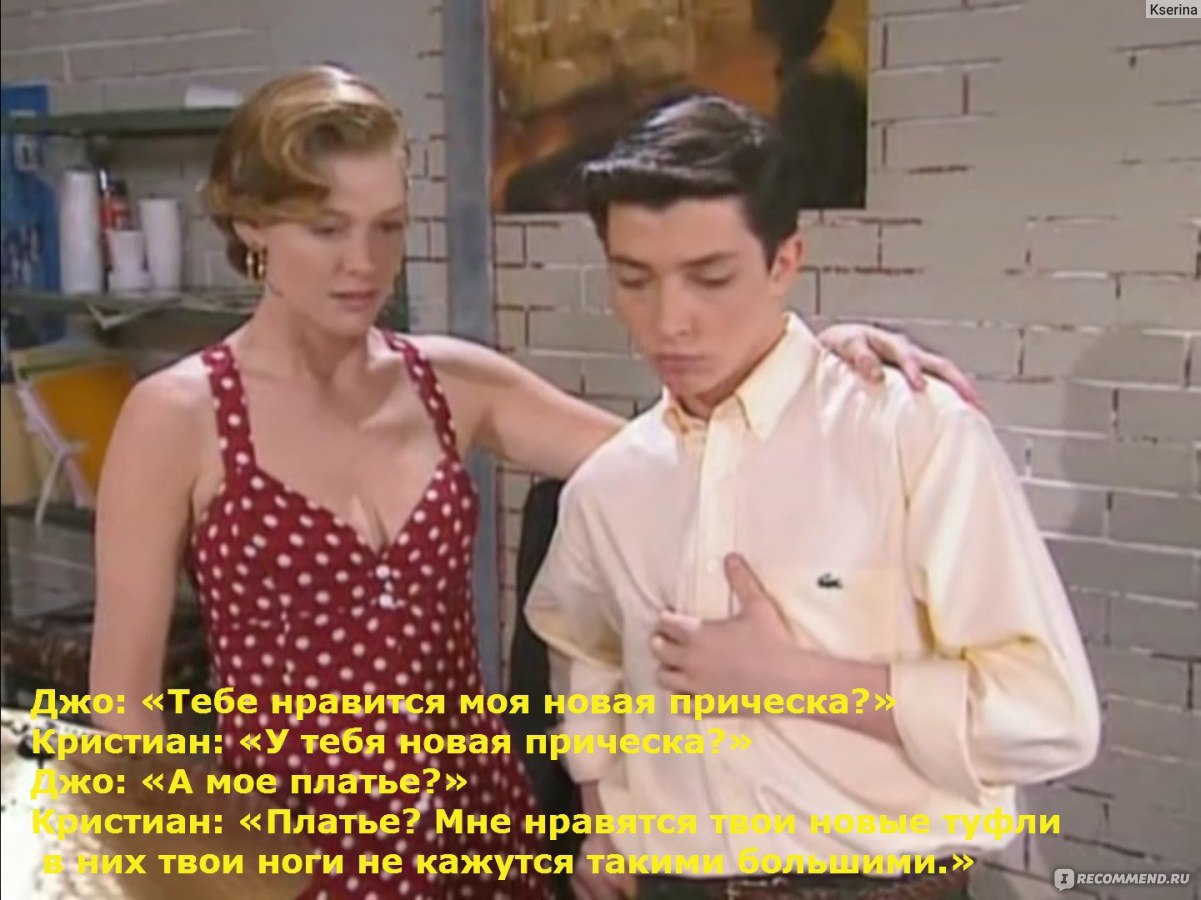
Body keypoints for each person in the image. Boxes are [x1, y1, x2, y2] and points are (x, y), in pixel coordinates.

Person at [88, 66, 979, 899]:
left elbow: (687, 464)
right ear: (252, 224)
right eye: (327, 229)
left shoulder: (451, 383)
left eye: (387, 227)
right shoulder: (178, 417)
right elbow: (124, 714)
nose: (362, 261)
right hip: (288, 852)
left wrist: (814, 365)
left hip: (478, 832)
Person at [524, 94, 1101, 900]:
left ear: (783, 261)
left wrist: (793, 677)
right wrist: (600, 814)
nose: (669, 321)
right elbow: (584, 649)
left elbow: (1047, 717)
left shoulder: (910, 436)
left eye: (710, 278)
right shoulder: (608, 486)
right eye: (633, 279)